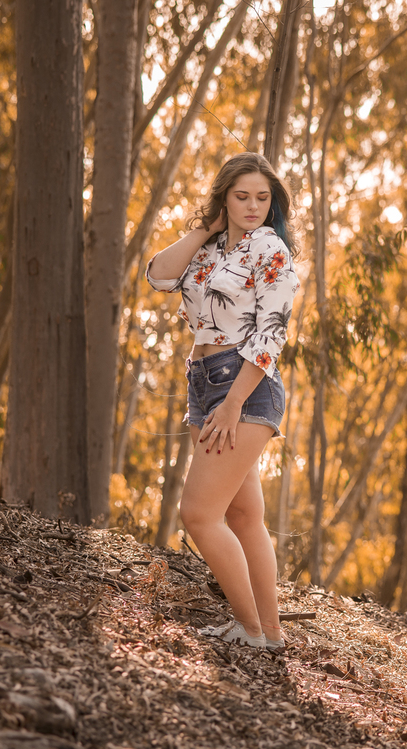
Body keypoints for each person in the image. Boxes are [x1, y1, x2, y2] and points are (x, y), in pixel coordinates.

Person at [145, 152, 300, 651]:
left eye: (262, 197)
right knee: (243, 517)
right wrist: (204, 229)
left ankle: (250, 629)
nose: (253, 206)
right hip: (203, 381)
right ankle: (269, 634)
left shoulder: (270, 249)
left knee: (198, 514)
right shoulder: (209, 249)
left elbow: (270, 337)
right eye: (242, 196)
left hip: (243, 384)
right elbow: (159, 276)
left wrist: (232, 404)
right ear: (224, 200)